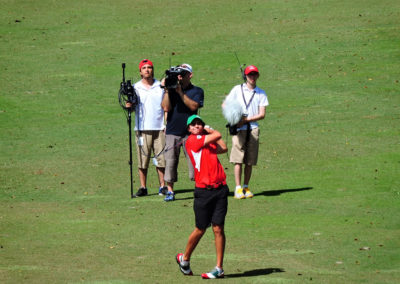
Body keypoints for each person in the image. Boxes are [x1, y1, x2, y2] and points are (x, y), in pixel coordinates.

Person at [176, 115, 229, 279]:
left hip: (220, 190)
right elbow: (218, 135)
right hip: (203, 192)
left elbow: (223, 147)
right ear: (189, 129)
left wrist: (208, 133)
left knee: (218, 228)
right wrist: (209, 130)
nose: (197, 126)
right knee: (200, 228)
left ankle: (219, 268)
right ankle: (184, 259)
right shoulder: (192, 141)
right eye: (194, 125)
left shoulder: (206, 142)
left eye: (199, 123)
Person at [223, 65, 269, 199]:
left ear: (258, 76)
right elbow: (225, 104)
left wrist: (246, 120)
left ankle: (246, 186)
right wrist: (234, 117)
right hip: (239, 128)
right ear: (245, 76)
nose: (252, 77)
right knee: (238, 159)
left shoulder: (261, 93)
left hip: (253, 128)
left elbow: (262, 114)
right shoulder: (237, 89)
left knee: (250, 160)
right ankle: (238, 188)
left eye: (254, 75)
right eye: (250, 75)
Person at [161, 64, 204, 202]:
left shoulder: (197, 90)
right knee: (170, 162)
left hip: (190, 132)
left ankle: (198, 188)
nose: (180, 76)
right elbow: (166, 107)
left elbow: (193, 106)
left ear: (190, 75)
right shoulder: (171, 90)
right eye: (178, 74)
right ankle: (170, 191)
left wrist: (180, 92)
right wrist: (168, 90)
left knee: (194, 162)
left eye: (183, 73)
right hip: (173, 131)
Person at [127, 59, 167, 197]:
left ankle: (162, 186)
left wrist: (166, 124)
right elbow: (132, 108)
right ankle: (143, 187)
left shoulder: (160, 86)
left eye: (149, 67)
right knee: (142, 159)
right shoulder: (135, 87)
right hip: (142, 129)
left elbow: (165, 106)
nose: (147, 70)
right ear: (140, 71)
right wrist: (129, 106)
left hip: (159, 128)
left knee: (160, 158)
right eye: (144, 68)